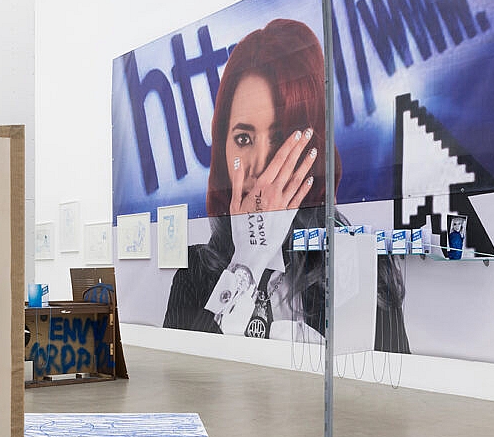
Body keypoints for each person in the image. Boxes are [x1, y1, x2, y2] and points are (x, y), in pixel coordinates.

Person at [163, 19, 409, 353]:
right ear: (223, 149)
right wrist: (245, 263)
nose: (260, 166)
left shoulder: (358, 265)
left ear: (310, 150)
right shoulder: (194, 274)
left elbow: (389, 382)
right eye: (243, 138)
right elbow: (184, 379)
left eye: (280, 139)